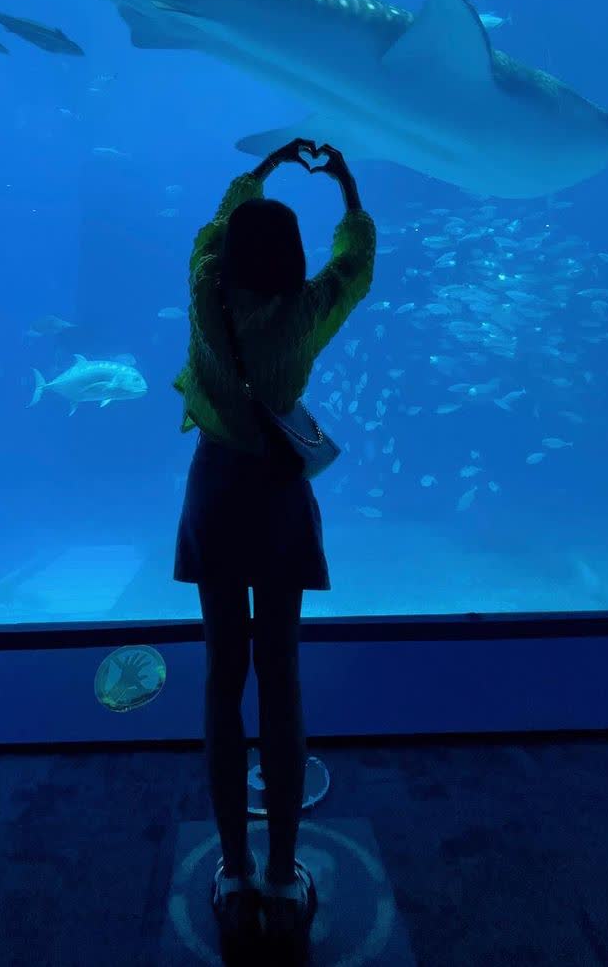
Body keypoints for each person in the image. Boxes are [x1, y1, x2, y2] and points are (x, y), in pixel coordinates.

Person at [173, 139, 376, 942]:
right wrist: (347, 188)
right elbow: (355, 263)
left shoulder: (203, 291)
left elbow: (213, 228)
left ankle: (233, 867)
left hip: (217, 491)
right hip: (278, 498)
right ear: (294, 261)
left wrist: (264, 168)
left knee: (223, 677)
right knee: (280, 677)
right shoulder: (307, 310)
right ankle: (286, 875)